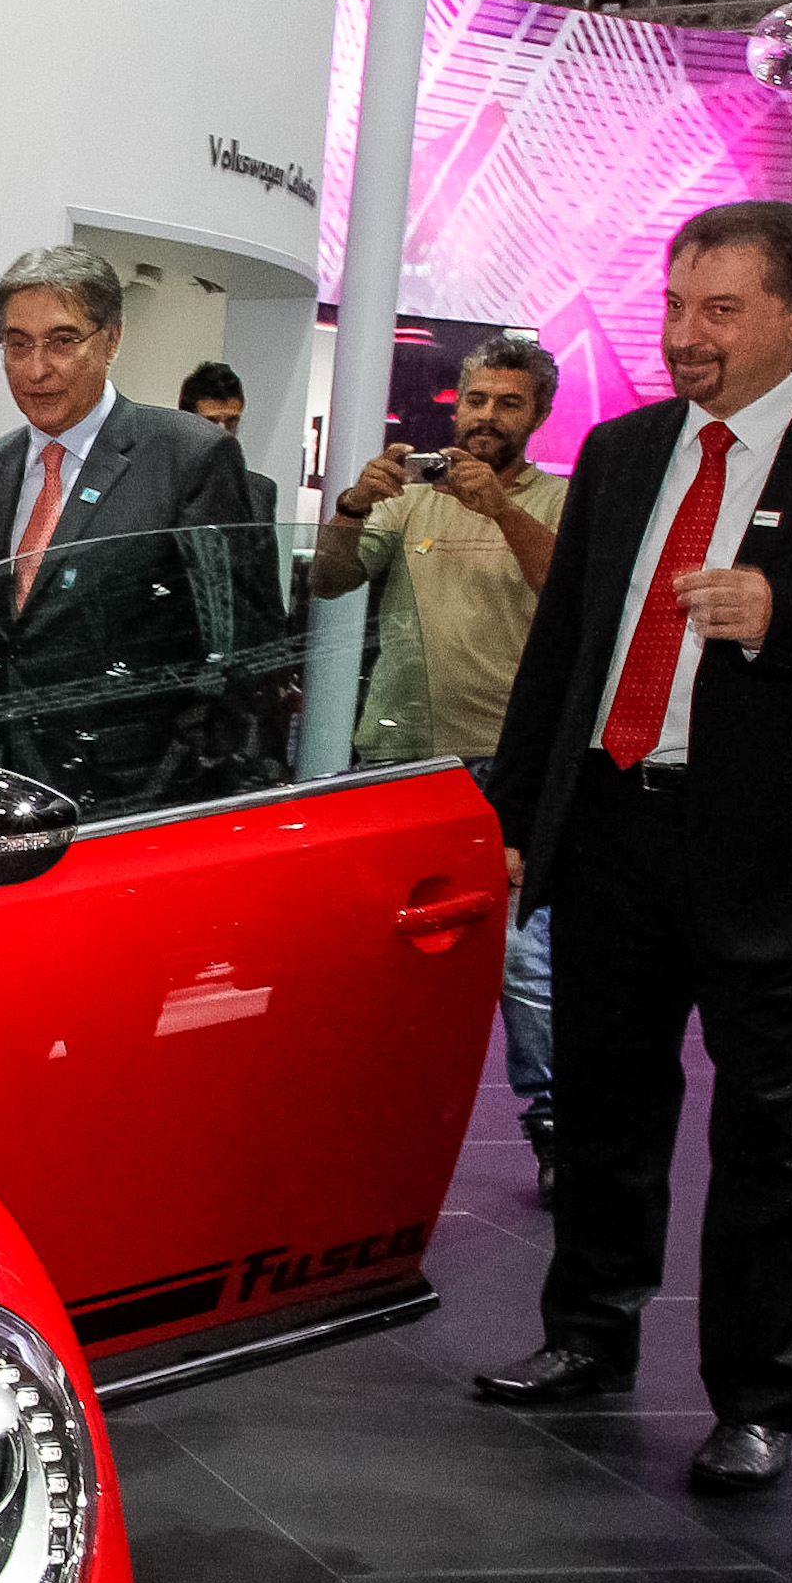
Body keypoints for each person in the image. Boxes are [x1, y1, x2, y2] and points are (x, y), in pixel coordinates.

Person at [474, 201, 792, 1493]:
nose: (683, 337)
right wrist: (516, 826)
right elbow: (563, 657)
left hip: (767, 855)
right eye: (674, 308)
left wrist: (777, 613)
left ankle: (756, 1396)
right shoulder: (625, 451)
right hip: (613, 833)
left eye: (719, 312)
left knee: (770, 1139)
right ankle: (584, 1336)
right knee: (602, 1112)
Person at [311, 334, 572, 1200]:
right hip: (397, 756)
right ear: (453, 407)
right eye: (476, 402)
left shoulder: (563, 500)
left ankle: (553, 1124)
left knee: (524, 961)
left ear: (537, 414)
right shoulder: (412, 500)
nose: (487, 419)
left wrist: (500, 508)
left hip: (510, 759)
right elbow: (329, 579)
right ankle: (372, 1119)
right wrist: (352, 503)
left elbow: (571, 595)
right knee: (377, 952)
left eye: (508, 404)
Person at [0, 247, 264, 809]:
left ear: (112, 339)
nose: (36, 368)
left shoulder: (188, 458)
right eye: (18, 344)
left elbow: (242, 640)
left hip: (140, 801)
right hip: (2, 794)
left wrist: (180, 776)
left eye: (63, 342)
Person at [177, 358, 281, 528]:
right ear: (186, 419)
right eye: (211, 421)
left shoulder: (261, 493)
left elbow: (264, 553)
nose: (223, 431)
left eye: (231, 421)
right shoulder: (164, 487)